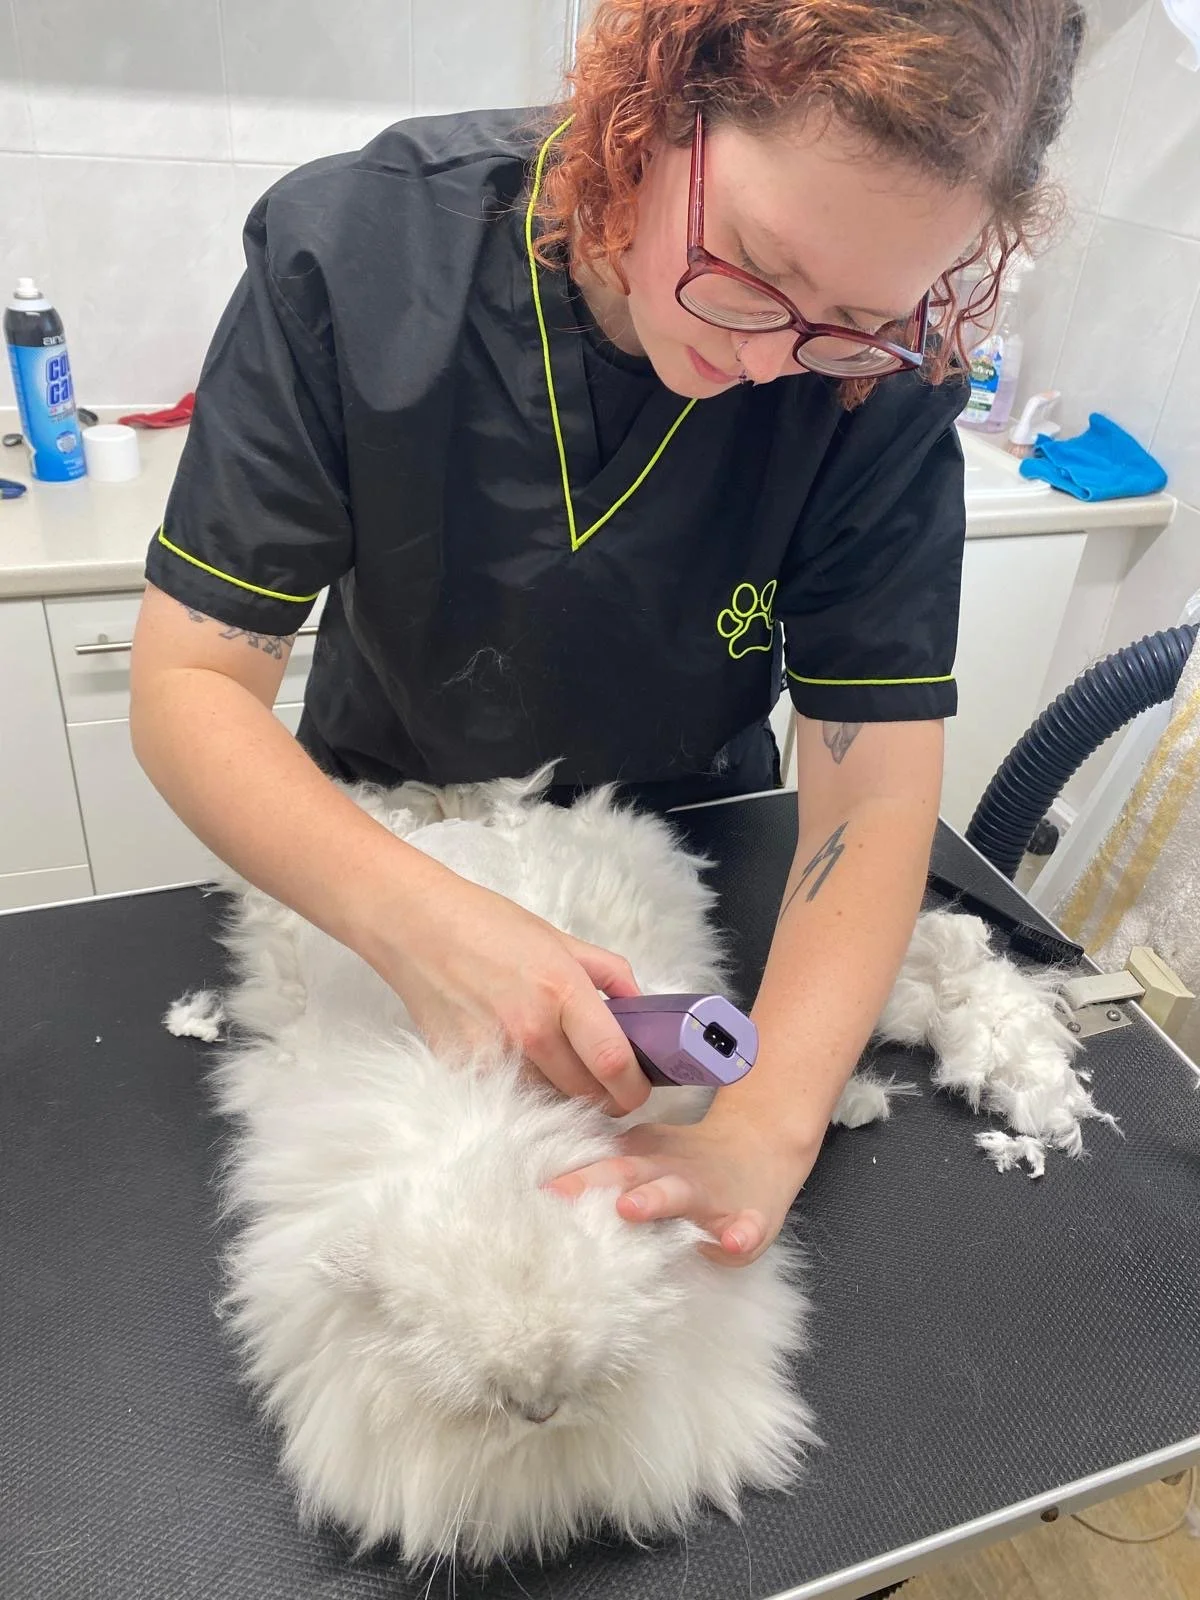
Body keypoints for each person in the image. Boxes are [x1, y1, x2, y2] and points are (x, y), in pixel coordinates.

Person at [131, 0, 1084, 1268]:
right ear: (660, 96)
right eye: (755, 263)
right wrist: (424, 923)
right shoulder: (356, 251)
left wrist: (769, 1126)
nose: (770, 354)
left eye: (852, 316)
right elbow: (190, 683)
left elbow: (871, 787)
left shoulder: (878, 375)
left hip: (705, 856)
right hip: (390, 840)